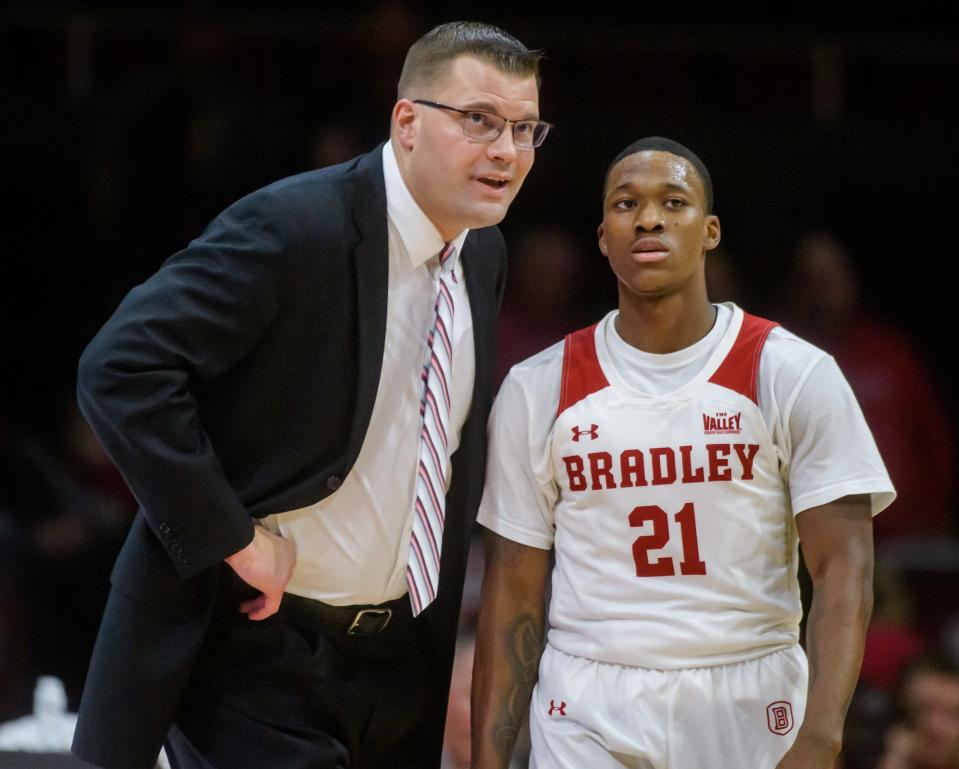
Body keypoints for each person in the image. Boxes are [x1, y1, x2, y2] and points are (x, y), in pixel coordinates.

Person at [71, 20, 549, 769]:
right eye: (479, 121)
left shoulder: (482, 250)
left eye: (524, 129)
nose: (506, 151)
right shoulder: (298, 225)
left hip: (394, 660)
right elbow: (121, 368)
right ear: (407, 121)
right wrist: (233, 535)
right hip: (256, 645)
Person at [471, 136, 895, 769]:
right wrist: (488, 759)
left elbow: (845, 570)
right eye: (625, 204)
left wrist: (821, 736)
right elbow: (513, 587)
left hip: (747, 688)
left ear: (711, 231)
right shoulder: (538, 387)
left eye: (674, 201)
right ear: (602, 236)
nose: (648, 218)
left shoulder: (792, 372)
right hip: (587, 696)